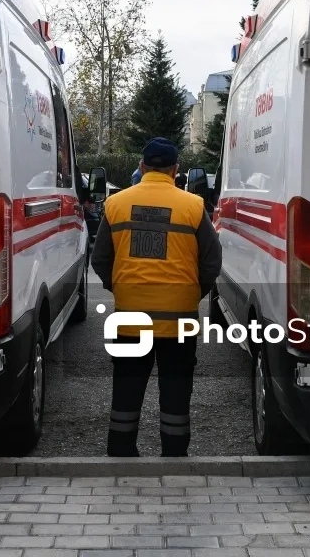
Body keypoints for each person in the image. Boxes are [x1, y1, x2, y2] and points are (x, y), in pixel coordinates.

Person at [90, 137, 222, 457]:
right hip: (179, 320)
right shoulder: (192, 206)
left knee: (126, 389)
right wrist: (193, 293)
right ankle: (174, 455)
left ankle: (121, 452)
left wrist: (121, 288)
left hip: (130, 316)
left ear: (141, 166)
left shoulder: (116, 204)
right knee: (176, 392)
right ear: (176, 170)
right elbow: (211, 261)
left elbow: (100, 259)